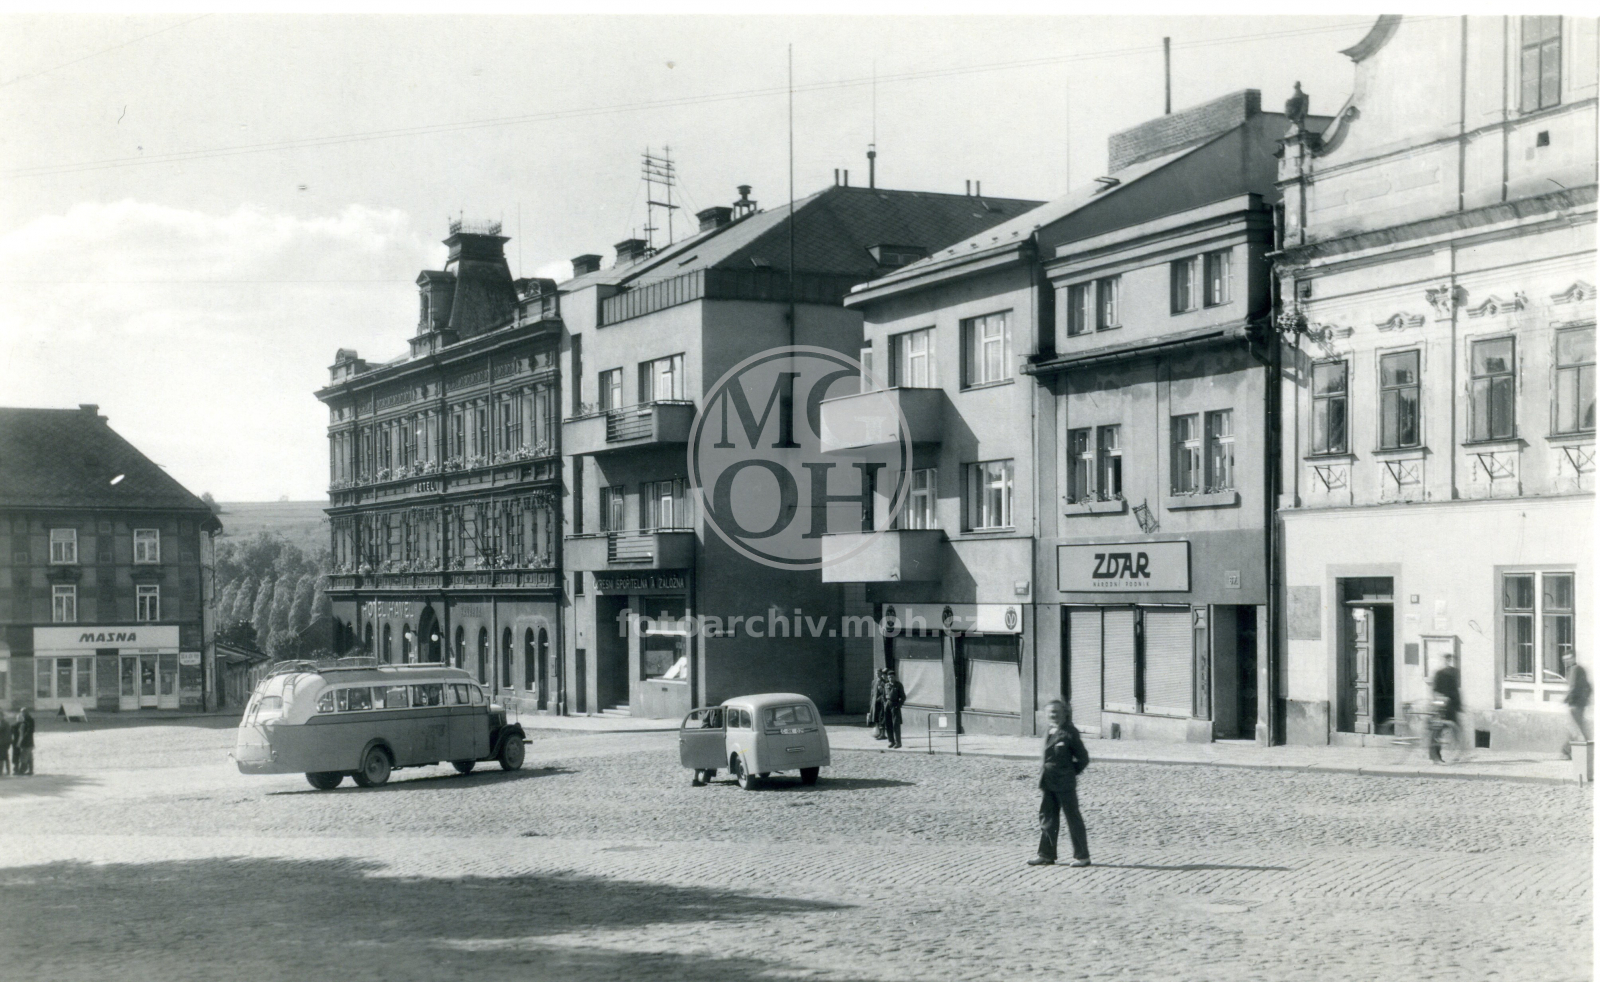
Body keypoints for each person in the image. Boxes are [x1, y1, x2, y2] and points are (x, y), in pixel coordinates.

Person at [1028, 699, 1091, 867]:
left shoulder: (1070, 732)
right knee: (1047, 818)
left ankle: (1082, 856)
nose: (1053, 715)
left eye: (1056, 712)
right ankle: (1046, 854)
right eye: (1050, 712)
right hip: (1048, 781)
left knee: (1073, 819)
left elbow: (1083, 758)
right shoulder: (1049, 730)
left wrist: (1069, 772)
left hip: (1065, 783)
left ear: (1064, 713)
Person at [1429, 651, 1463, 764]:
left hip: (1452, 706)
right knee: (1437, 731)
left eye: (1449, 660)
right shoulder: (1439, 673)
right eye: (1446, 660)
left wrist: (1459, 705)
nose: (1448, 662)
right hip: (1441, 707)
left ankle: (1457, 753)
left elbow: (1456, 690)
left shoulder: (1455, 672)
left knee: (1456, 730)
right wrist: (1440, 700)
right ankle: (1435, 756)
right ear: (1442, 661)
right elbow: (1434, 691)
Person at [1563, 651, 1591, 754]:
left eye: (1569, 659)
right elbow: (1587, 686)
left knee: (1576, 727)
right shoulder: (1574, 669)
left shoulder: (1575, 669)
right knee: (1577, 726)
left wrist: (1567, 699)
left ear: (1574, 658)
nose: (1566, 661)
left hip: (1575, 704)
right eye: (1565, 660)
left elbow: (1573, 687)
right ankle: (1568, 750)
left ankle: (1568, 750)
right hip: (1578, 703)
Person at [882, 670, 905, 749]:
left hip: (895, 705)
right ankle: (891, 741)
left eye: (892, 677)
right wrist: (885, 704)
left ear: (895, 677)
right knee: (888, 724)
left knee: (896, 724)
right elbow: (884, 696)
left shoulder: (898, 685)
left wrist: (899, 705)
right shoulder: (886, 685)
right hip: (887, 705)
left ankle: (898, 742)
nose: (890, 679)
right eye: (889, 677)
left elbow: (903, 697)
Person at [866, 669, 888, 741]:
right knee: (875, 718)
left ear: (881, 674)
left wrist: (881, 699)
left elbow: (884, 693)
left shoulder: (884, 682)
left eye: (879, 673)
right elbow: (872, 693)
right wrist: (871, 702)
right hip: (874, 703)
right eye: (876, 673)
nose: (877, 674)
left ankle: (883, 734)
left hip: (881, 703)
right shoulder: (874, 681)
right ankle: (877, 732)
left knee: (881, 718)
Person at [13, 706, 34, 776]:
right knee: (29, 756)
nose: (22, 713)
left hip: (26, 742)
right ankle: (31, 770)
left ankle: (22, 771)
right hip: (30, 741)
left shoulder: (25, 722)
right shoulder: (27, 721)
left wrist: (21, 741)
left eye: (23, 712)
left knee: (24, 757)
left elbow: (25, 733)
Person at [0, 711, 10, 777]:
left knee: (2, 758)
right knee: (5, 757)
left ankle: (2, 771)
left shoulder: (5, 723)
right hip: (4, 742)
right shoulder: (4, 723)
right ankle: (7, 771)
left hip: (3, 743)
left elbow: (7, 734)